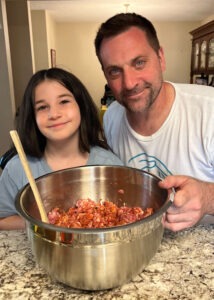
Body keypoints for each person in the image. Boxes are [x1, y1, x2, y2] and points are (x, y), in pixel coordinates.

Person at [94, 13, 214, 232]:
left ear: (161, 58)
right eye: (114, 71)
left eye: (139, 63)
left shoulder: (209, 110)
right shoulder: (112, 116)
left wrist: (207, 197)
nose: (129, 83)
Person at [0, 67, 123, 230]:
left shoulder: (109, 164)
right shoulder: (17, 169)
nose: (54, 114)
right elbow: (3, 220)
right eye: (42, 107)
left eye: (64, 101)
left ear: (81, 106)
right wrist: (42, 223)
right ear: (32, 116)